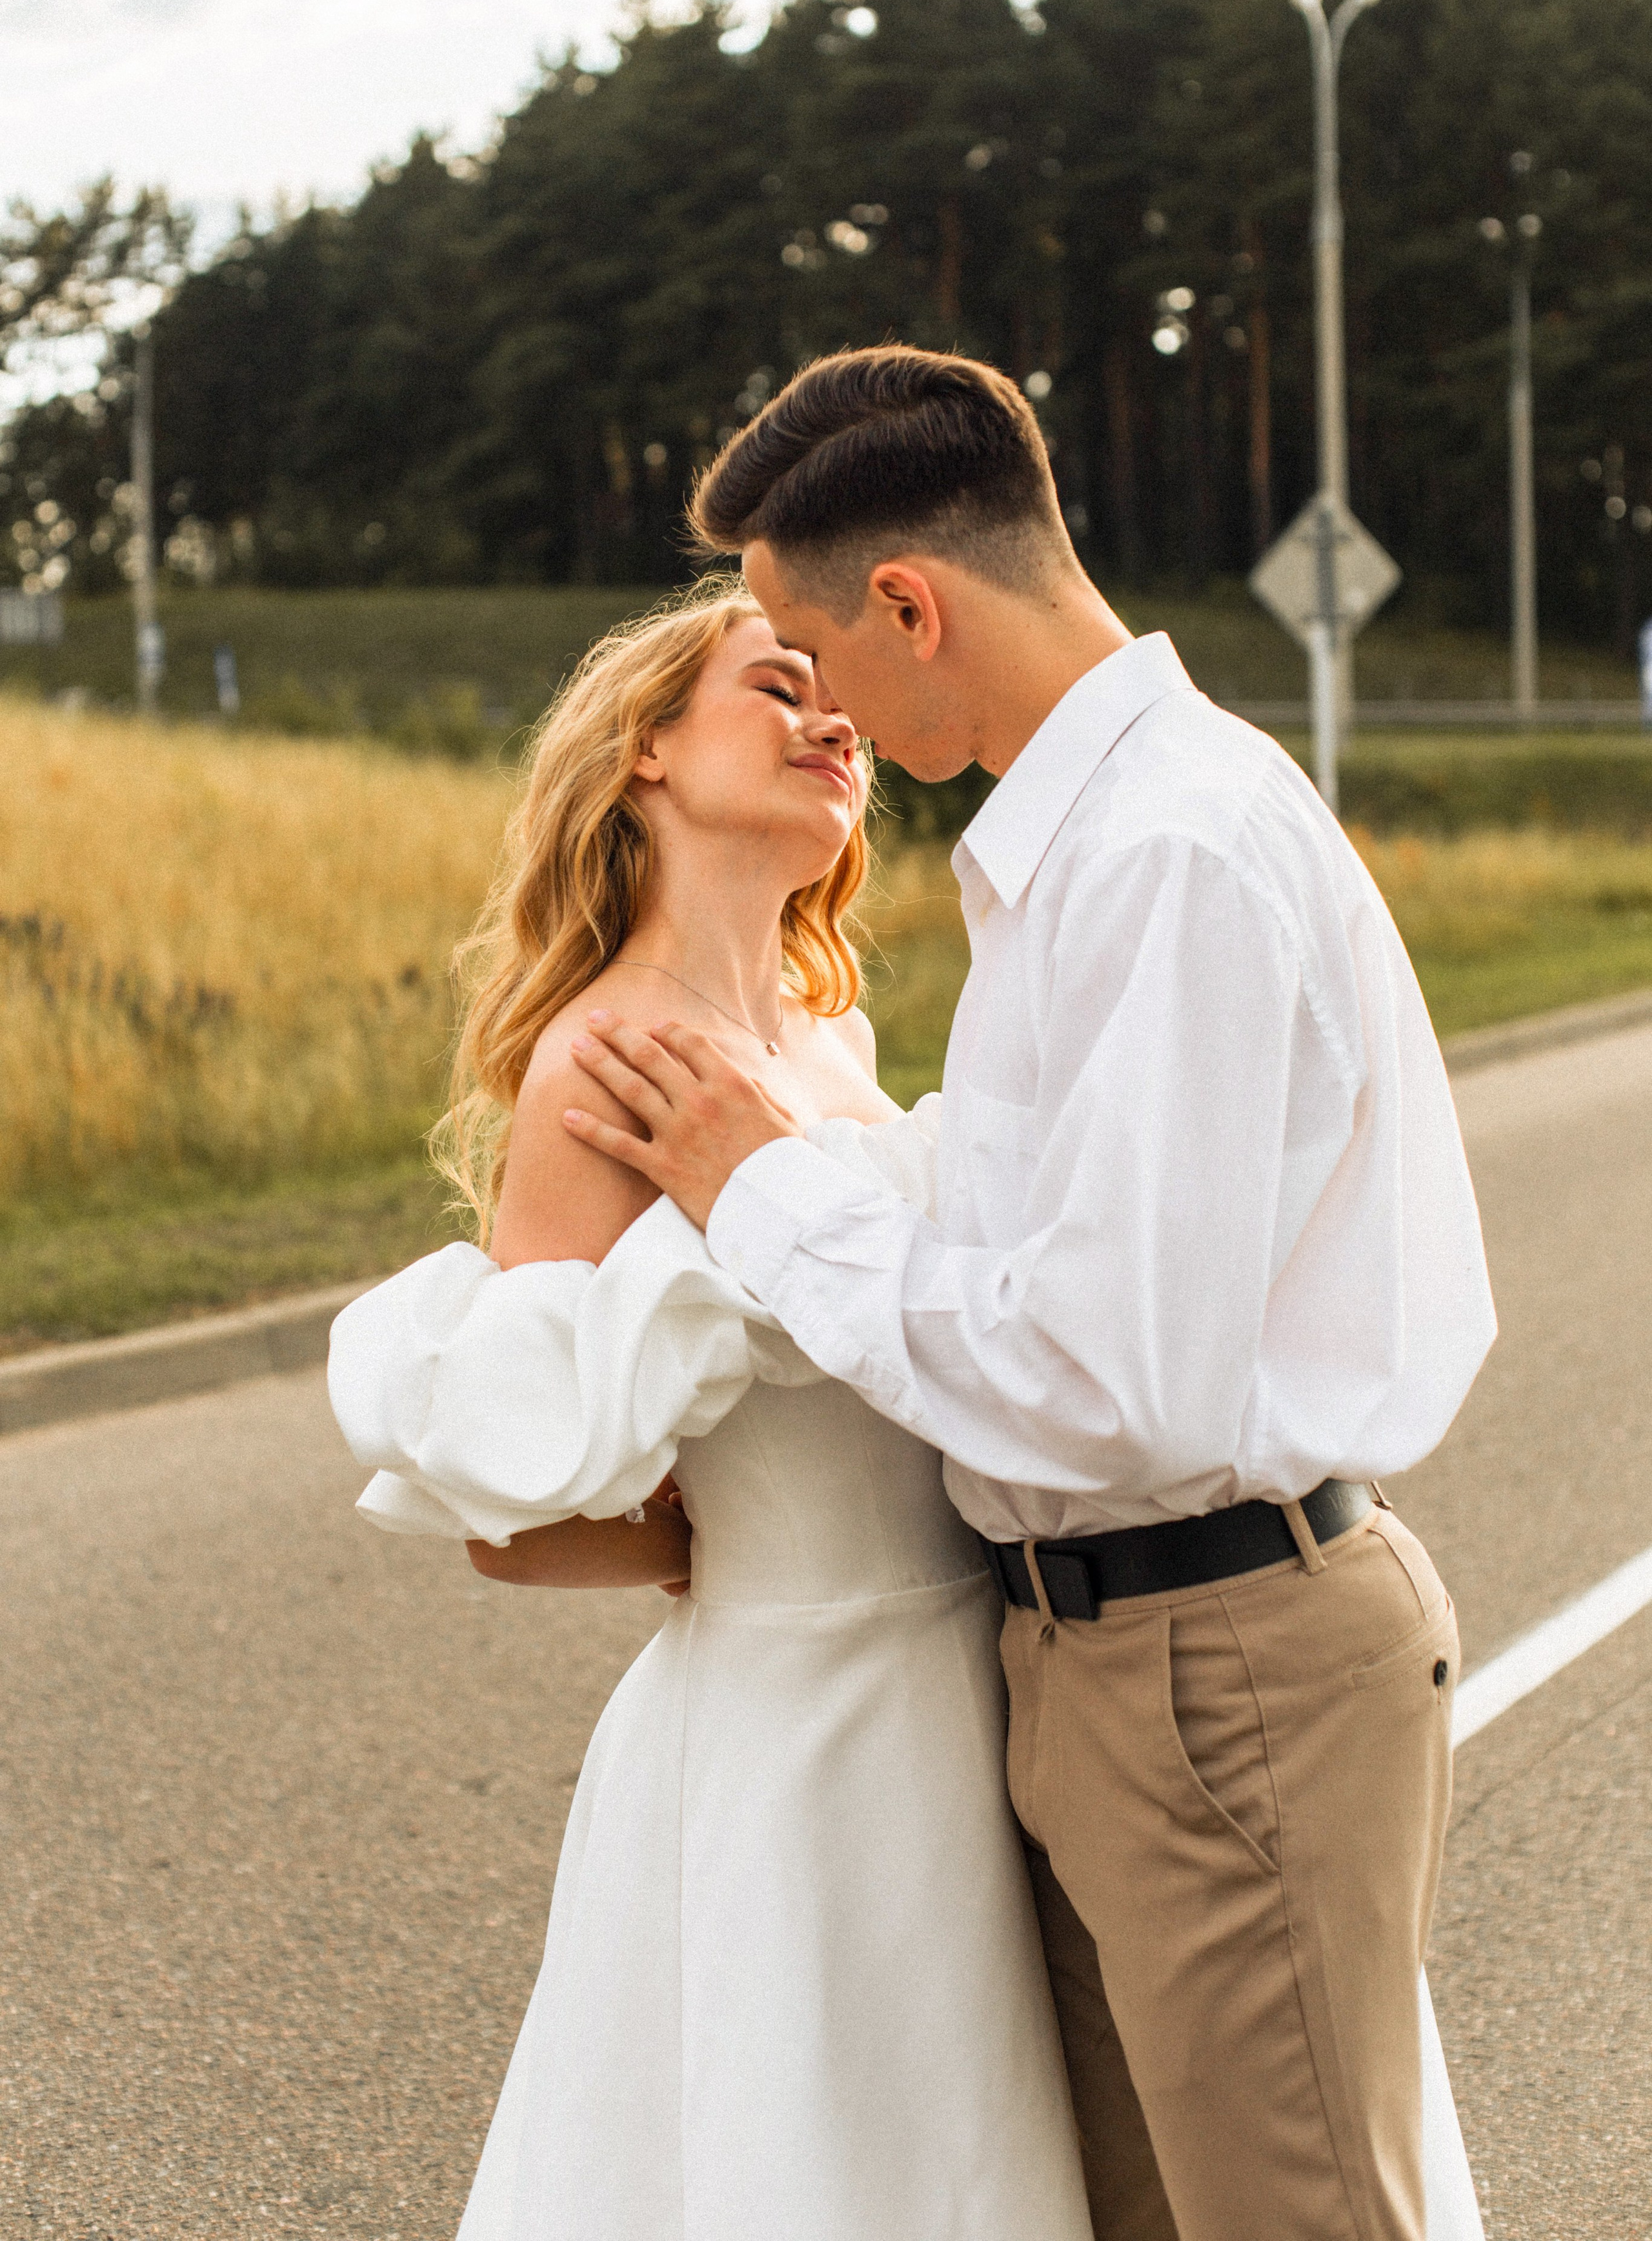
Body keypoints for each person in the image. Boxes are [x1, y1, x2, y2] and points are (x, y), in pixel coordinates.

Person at [561, 345, 1497, 2241]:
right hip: (1107, 1660)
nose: (818, 706)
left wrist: (763, 1195)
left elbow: (1110, 1377)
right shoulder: (1086, 857)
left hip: (1216, 1663)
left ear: (909, 605)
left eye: (810, 651)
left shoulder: (1165, 855)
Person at [328, 587, 1100, 2241]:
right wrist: (725, 1550)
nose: (835, 721)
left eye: (839, 700)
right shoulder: (602, 1063)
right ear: (648, 754)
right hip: (795, 1733)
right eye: (776, 686)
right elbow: (514, 1516)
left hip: (968, 1687)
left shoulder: (831, 1044)